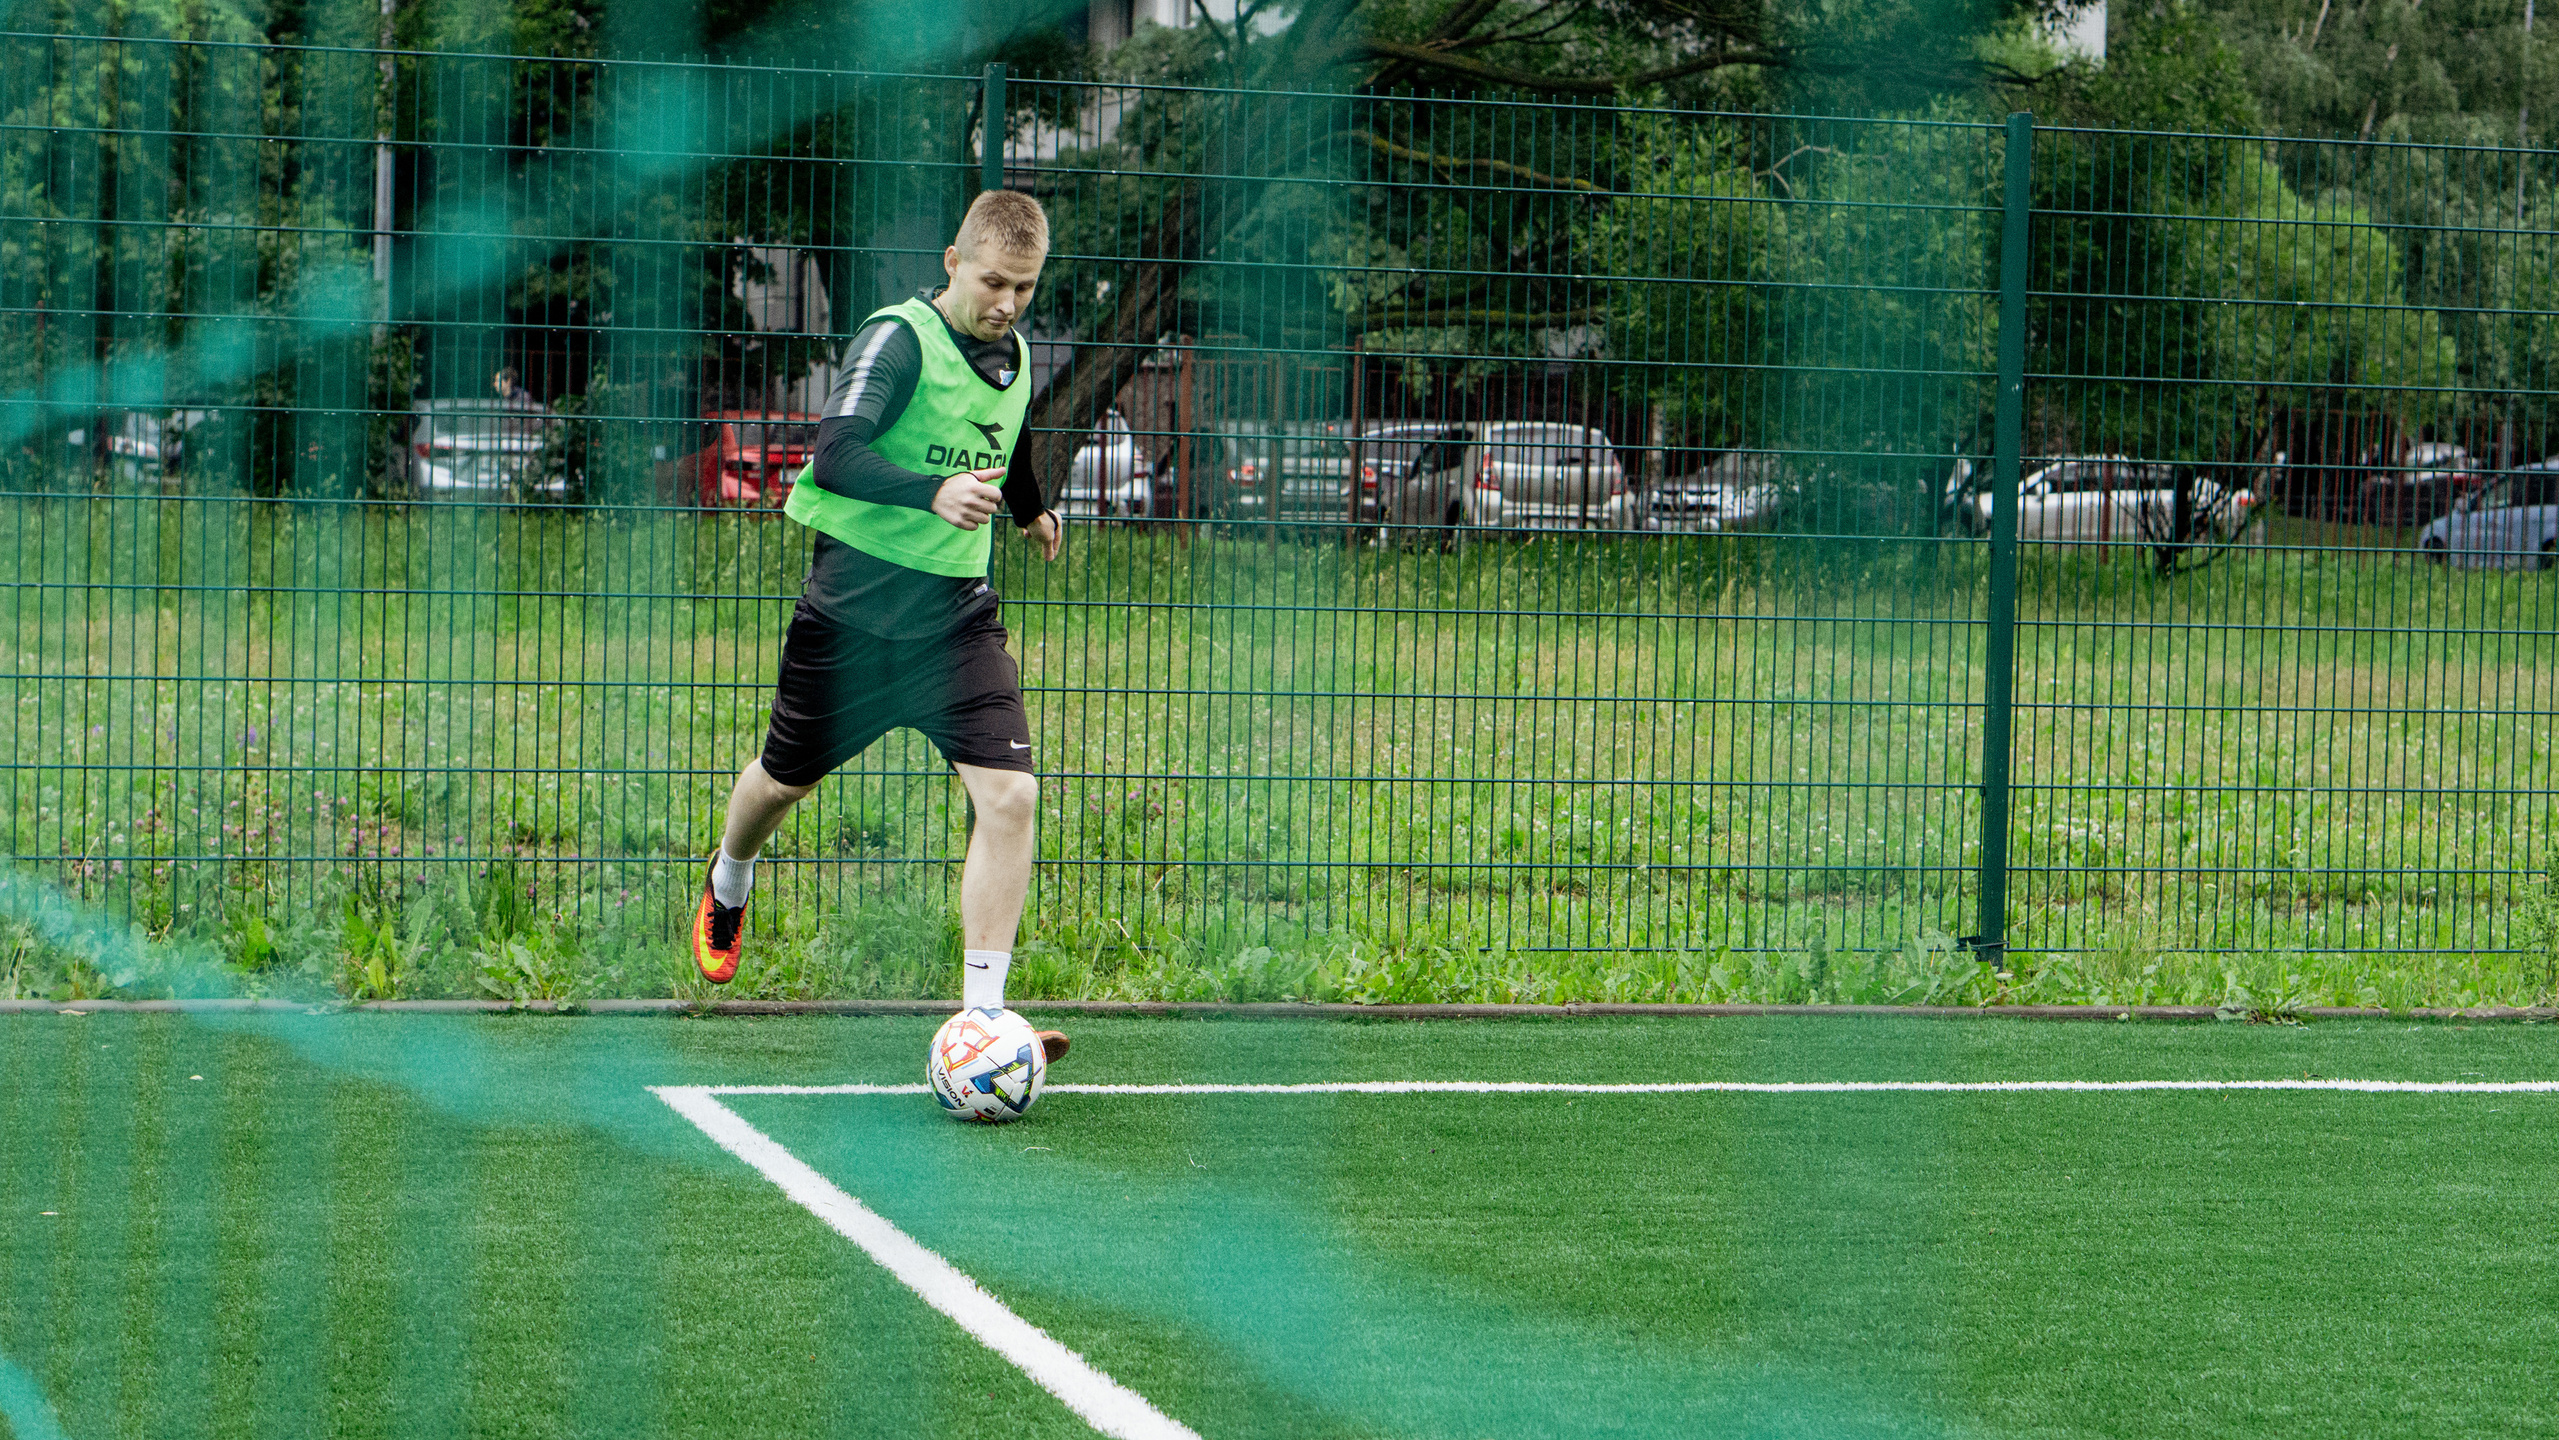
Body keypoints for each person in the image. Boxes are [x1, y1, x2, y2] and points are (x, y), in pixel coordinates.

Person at [692, 189, 1069, 1063]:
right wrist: (930, 492)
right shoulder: (898, 339)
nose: (1007, 302)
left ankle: (981, 1017)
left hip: (953, 623)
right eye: (992, 281)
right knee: (781, 782)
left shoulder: (1010, 356)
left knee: (1011, 797)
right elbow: (836, 451)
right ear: (952, 262)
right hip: (852, 623)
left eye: (1024, 286)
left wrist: (1029, 512)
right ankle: (729, 879)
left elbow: (995, 446)